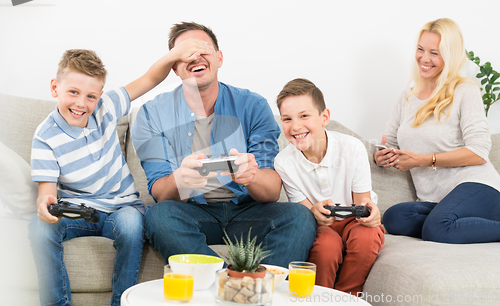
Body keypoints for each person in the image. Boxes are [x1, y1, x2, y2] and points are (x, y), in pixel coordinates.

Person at [131, 22, 317, 268]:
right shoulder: (151, 114)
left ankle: (256, 287)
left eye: (203, 49)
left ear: (219, 57)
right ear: (175, 68)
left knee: (300, 217)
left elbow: (271, 191)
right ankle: (226, 283)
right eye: (185, 53)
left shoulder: (254, 106)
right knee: (158, 216)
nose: (195, 56)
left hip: (248, 213)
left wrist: (251, 176)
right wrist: (181, 180)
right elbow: (159, 192)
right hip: (193, 213)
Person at [28, 48, 194, 306]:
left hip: (121, 206)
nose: (81, 104)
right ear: (54, 88)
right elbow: (46, 194)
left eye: (91, 96)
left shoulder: (106, 108)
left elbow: (149, 78)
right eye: (73, 92)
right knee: (39, 228)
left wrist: (174, 55)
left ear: (100, 97)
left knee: (131, 226)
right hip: (79, 212)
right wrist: (44, 205)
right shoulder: (45, 136)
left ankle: (121, 303)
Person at [375, 18, 500, 244]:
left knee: (437, 230)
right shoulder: (407, 97)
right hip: (436, 201)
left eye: (435, 53)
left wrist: (423, 160)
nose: (424, 58)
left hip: (477, 187)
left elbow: (479, 152)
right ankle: (448, 221)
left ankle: (446, 223)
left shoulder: (465, 91)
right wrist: (383, 155)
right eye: (421, 49)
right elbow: (391, 141)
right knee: (394, 217)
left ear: (450, 56)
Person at [274, 78, 385, 295]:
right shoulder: (283, 162)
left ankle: (346, 296)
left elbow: (363, 203)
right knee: (326, 246)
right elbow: (304, 212)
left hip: (355, 220)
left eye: (304, 116)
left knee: (367, 236)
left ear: (324, 117)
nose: (295, 126)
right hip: (321, 225)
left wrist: (372, 213)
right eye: (287, 119)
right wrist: (314, 211)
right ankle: (320, 297)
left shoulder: (352, 147)